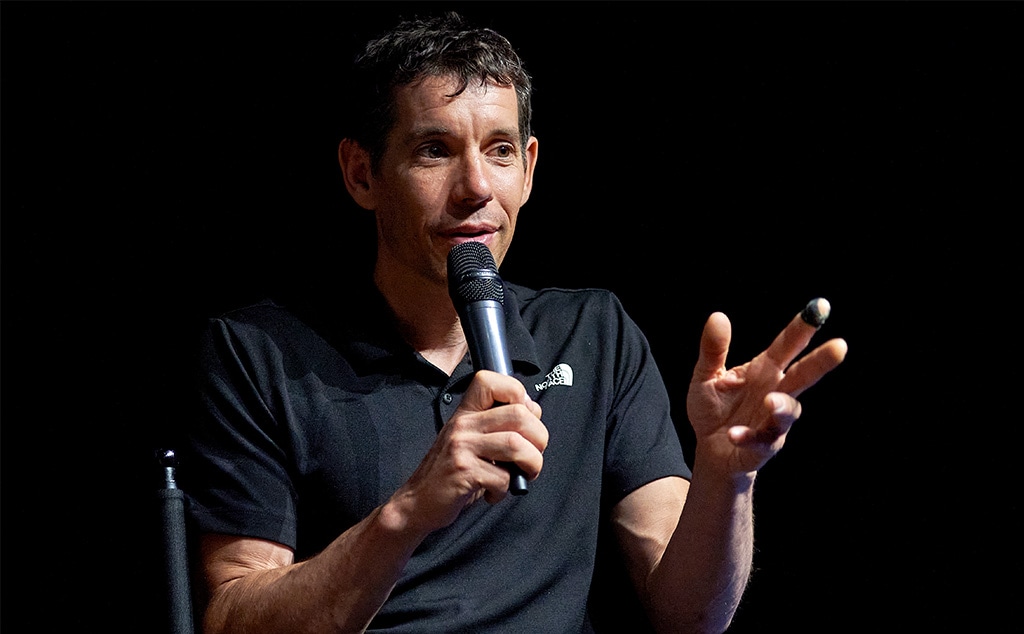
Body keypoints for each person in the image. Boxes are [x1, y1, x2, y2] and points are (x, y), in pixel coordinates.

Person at [182, 11, 848, 634]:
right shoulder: (260, 353)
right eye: (435, 151)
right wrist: (410, 510)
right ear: (362, 174)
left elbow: (690, 613)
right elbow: (236, 614)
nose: (476, 187)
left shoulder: (595, 333)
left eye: (499, 150)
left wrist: (726, 478)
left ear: (528, 168)